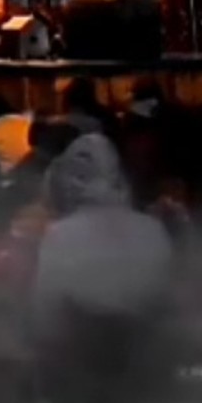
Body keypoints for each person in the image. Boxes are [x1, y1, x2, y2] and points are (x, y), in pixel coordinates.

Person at [31, 130, 175, 353]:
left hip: (80, 364)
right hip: (149, 359)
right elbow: (169, 300)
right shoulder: (153, 229)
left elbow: (46, 319)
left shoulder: (60, 236)